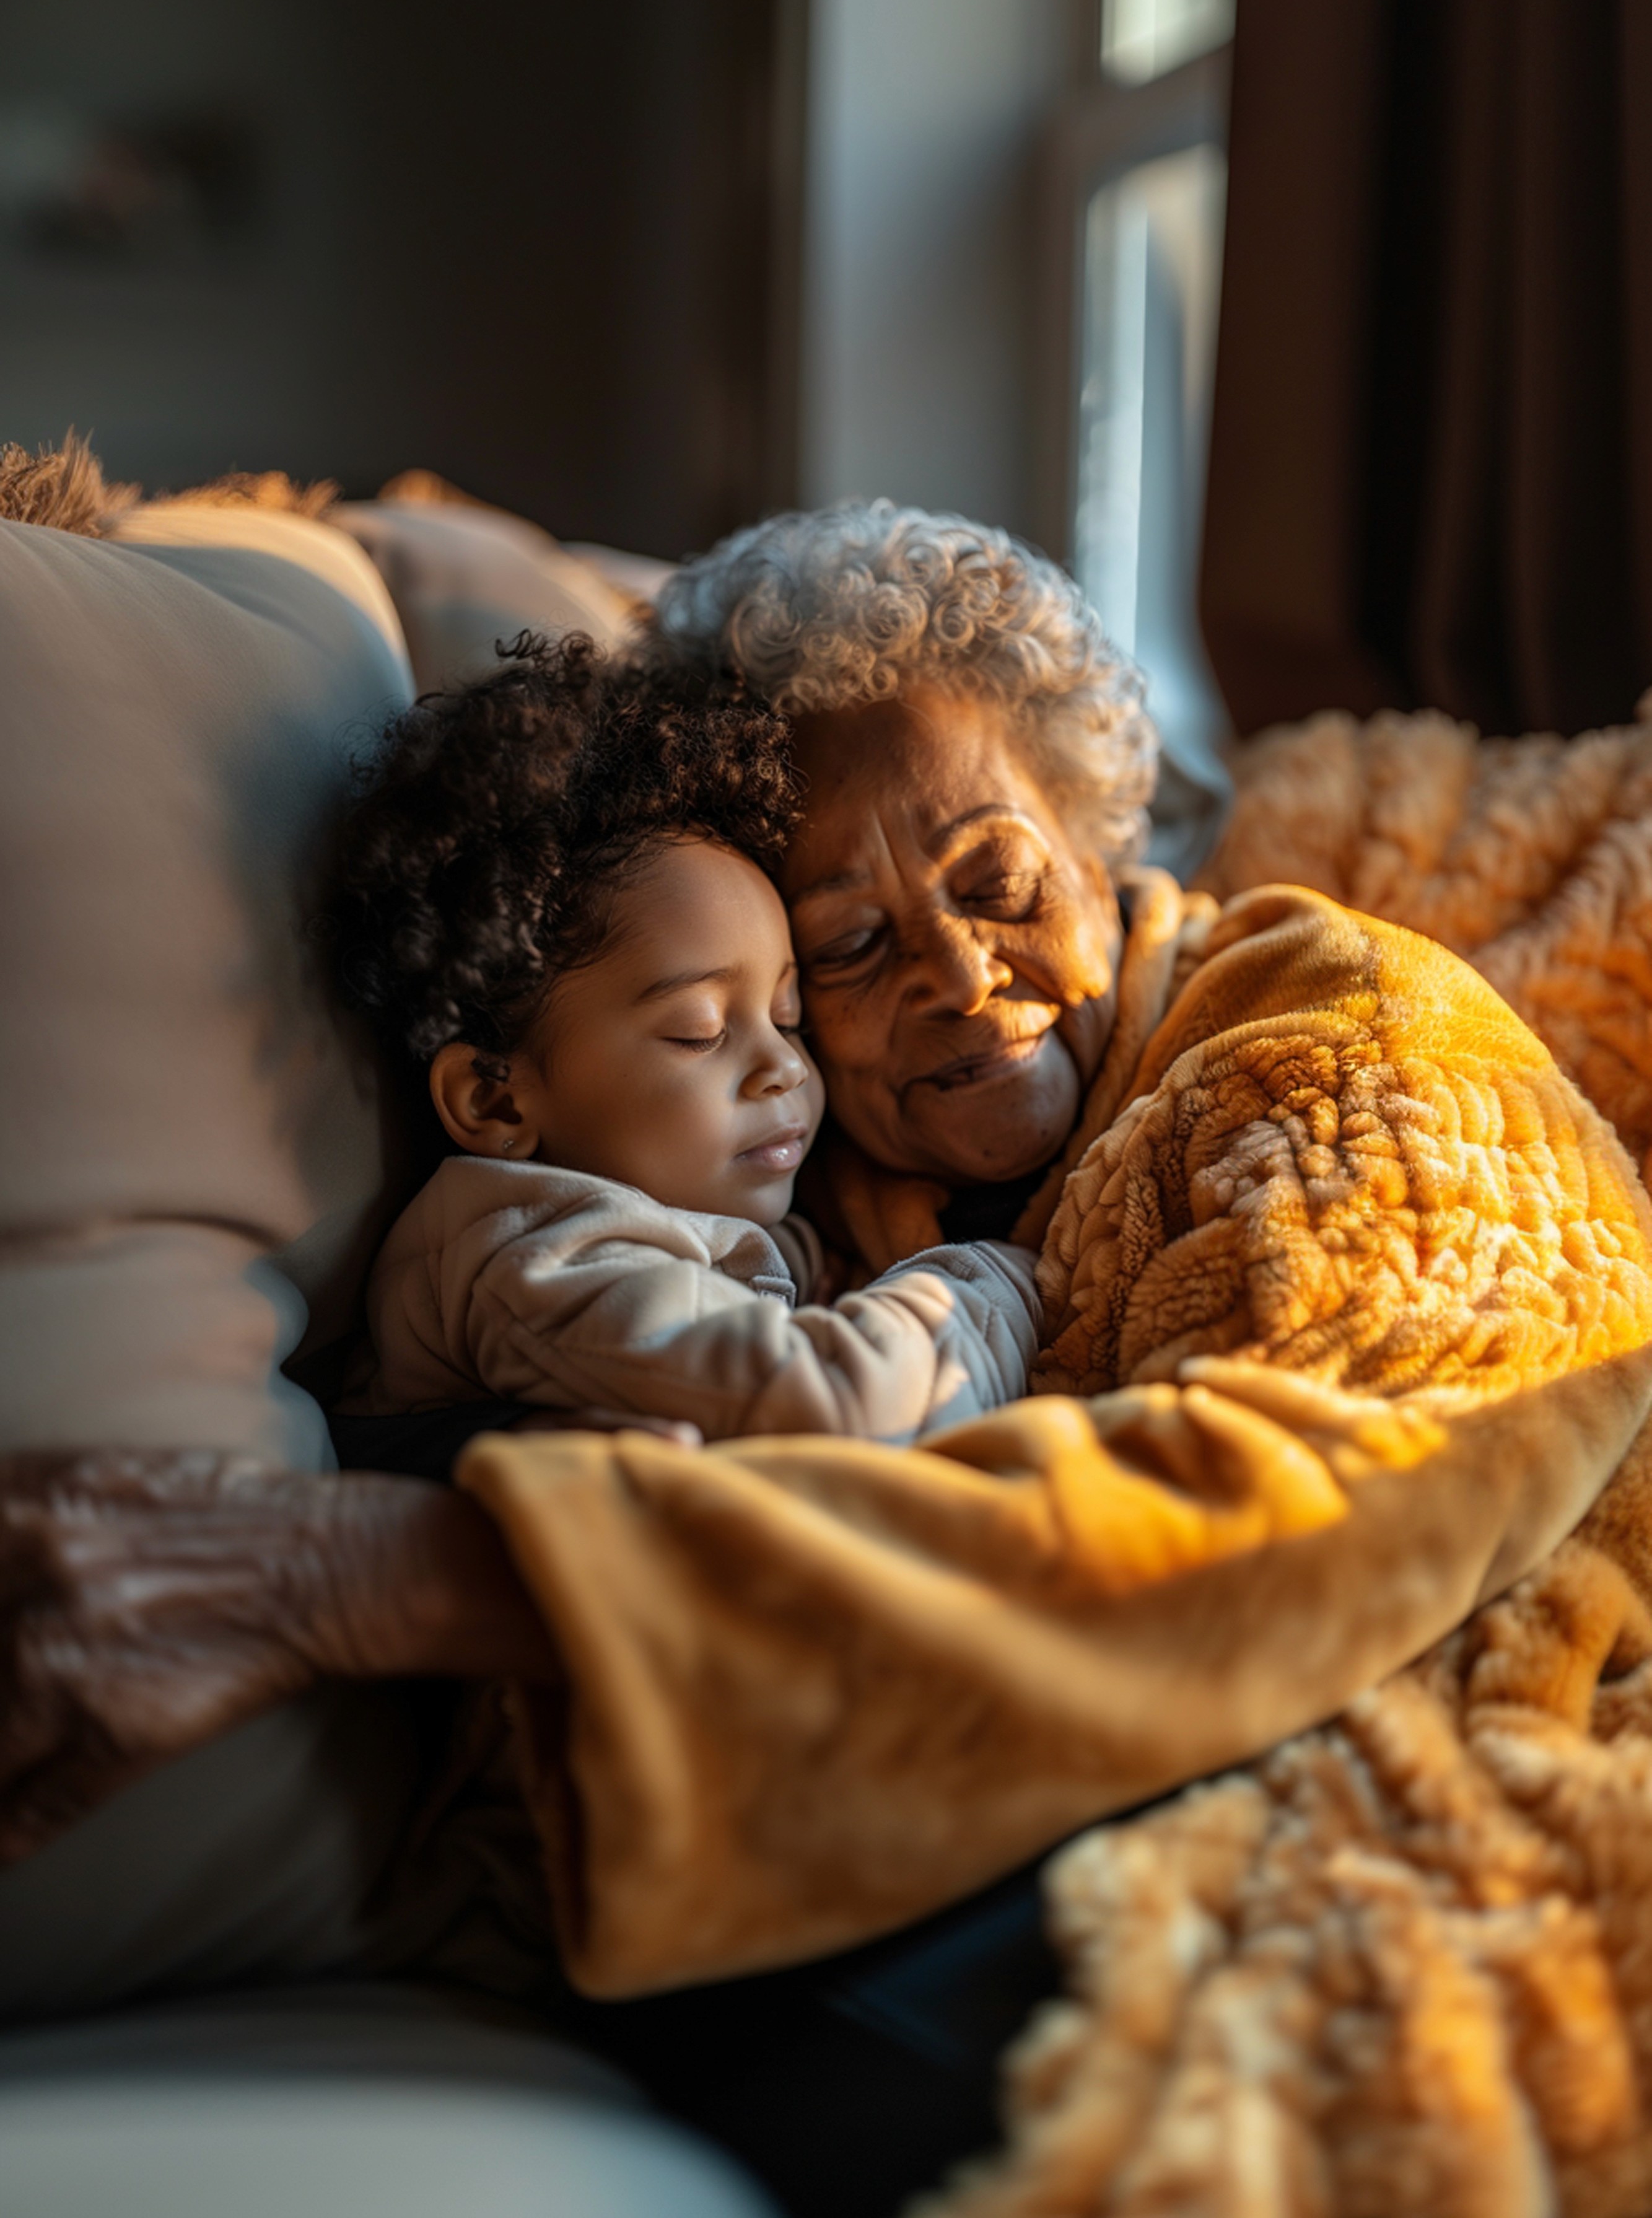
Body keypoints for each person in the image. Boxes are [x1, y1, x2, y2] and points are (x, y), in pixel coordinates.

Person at [5, 503, 1648, 2218]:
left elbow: (1296, 1516)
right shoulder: (806, 1178)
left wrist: (388, 1575)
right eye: (846, 949)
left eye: (998, 885)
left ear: (1102, 844)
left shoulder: (1344, 1035)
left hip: (1423, 1776)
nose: (952, 977)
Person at [328, 631, 1037, 1451]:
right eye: (700, 1033)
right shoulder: (530, 1261)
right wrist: (1005, 1280)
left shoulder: (663, 1215)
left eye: (788, 1018)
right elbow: (850, 1404)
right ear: (495, 1098)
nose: (782, 1069)